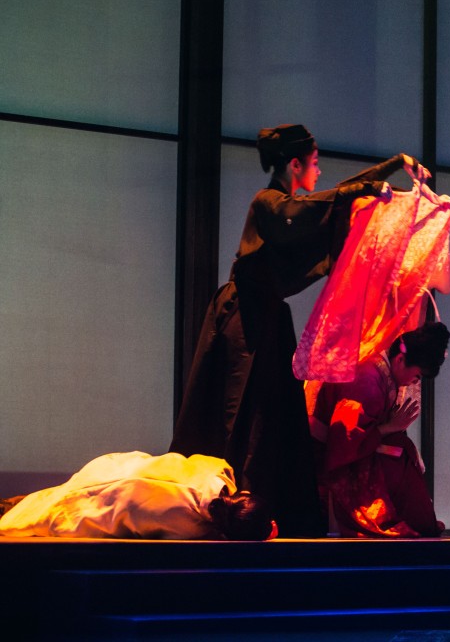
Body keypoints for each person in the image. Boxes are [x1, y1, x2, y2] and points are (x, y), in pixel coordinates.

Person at [169, 123, 421, 537]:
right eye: (315, 164)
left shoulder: (286, 205)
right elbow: (311, 209)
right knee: (239, 411)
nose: (318, 172)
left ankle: (261, 509)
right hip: (240, 317)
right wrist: (357, 192)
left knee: (272, 417)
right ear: (294, 164)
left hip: (267, 318)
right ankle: (228, 507)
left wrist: (394, 166)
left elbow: (332, 198)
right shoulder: (269, 203)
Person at [307, 322, 450, 538]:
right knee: (398, 466)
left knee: (403, 451)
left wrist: (392, 429)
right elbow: (344, 440)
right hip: (337, 457)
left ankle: (418, 520)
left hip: (360, 448)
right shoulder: (367, 382)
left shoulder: (382, 374)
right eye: (417, 376)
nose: (413, 382)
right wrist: (390, 427)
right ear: (400, 360)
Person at [0, 451, 276, 540]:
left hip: (104, 476)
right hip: (95, 505)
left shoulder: (214, 471)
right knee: (36, 513)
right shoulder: (190, 529)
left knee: (40, 504)